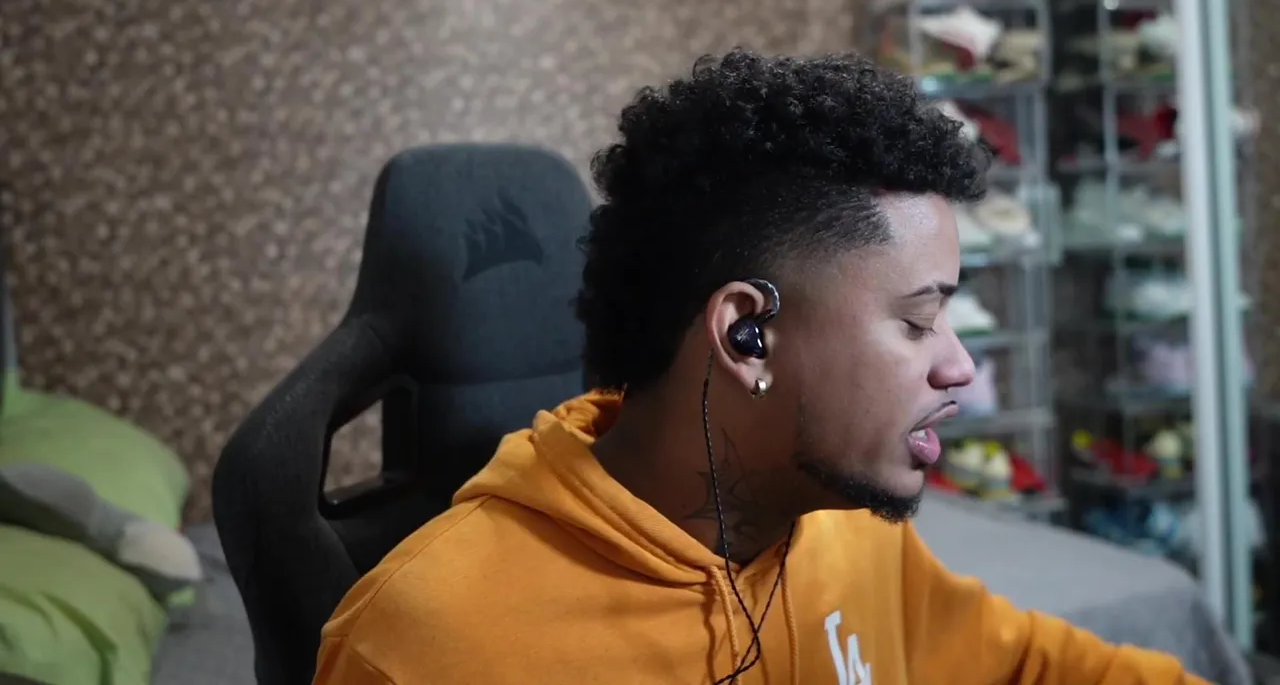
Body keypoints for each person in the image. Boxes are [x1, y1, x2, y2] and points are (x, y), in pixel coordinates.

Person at [314, 50, 1209, 684]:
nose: (962, 368)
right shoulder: (430, 649)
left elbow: (1021, 664)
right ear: (748, 335)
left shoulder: (849, 528)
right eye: (918, 321)